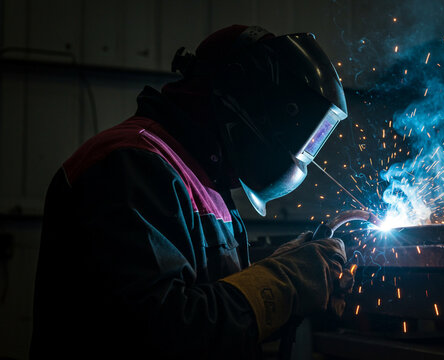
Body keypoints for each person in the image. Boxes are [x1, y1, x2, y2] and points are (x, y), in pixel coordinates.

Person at [30, 25, 350, 359]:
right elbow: (159, 330)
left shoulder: (202, 173)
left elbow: (204, 281)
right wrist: (284, 283)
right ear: (245, 95)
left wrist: (277, 264)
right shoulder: (130, 163)